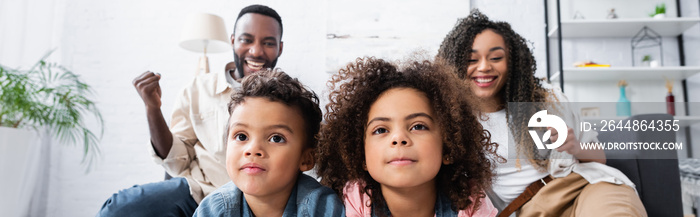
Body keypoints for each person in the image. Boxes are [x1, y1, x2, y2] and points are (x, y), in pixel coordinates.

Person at [437, 10, 647, 217]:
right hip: (530, 209)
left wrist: (575, 146)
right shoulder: (452, 120)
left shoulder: (546, 99)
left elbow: (599, 157)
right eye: (472, 60)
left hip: (585, 188)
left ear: (512, 62)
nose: (484, 67)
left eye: (496, 57)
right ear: (455, 64)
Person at [97, 4, 284, 217]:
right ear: (233, 41)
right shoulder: (198, 89)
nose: (256, 51)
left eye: (268, 43)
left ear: (280, 48)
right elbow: (176, 162)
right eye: (246, 40)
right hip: (199, 192)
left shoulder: (290, 102)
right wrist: (153, 108)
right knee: (120, 208)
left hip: (258, 203)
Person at [316, 57, 499, 217]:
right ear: (361, 156)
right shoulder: (354, 199)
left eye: (418, 126)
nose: (399, 138)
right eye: (381, 130)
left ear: (448, 147)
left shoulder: (470, 202)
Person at [193, 69, 343, 217]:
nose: (253, 149)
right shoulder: (212, 210)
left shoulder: (323, 208)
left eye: (276, 138)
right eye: (241, 136)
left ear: (307, 158)